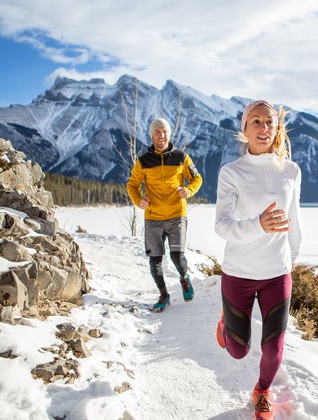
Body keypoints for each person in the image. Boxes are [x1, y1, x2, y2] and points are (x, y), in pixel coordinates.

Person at [214, 100, 302, 420]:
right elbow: (221, 226)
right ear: (244, 129)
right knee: (237, 351)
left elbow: (295, 219)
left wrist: (292, 258)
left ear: (277, 127)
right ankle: (226, 323)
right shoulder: (232, 173)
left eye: (269, 122)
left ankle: (262, 391)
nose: (263, 128)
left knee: (273, 348)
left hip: (277, 274)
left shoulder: (291, 171)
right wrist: (258, 226)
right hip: (238, 272)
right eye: (256, 122)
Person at [127, 117, 202, 312]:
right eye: (157, 132)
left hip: (177, 214)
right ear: (151, 135)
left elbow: (197, 178)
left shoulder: (181, 157)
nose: (161, 135)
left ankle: (184, 280)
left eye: (164, 132)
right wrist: (138, 200)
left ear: (169, 134)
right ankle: (163, 295)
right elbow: (133, 184)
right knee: (155, 261)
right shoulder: (143, 161)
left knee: (177, 256)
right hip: (153, 217)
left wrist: (189, 191)